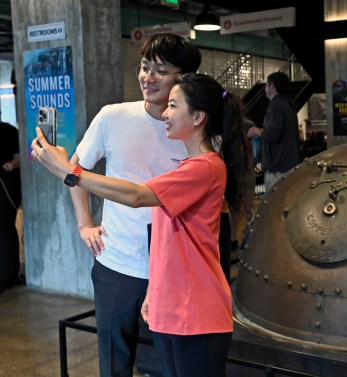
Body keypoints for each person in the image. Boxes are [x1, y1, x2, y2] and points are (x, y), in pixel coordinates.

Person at [32, 73, 250, 377]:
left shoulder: (205, 169)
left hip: (196, 311)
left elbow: (135, 195)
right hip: (175, 307)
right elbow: (169, 242)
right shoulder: (190, 167)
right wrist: (156, 292)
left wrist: (70, 172)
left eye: (174, 106)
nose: (165, 113)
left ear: (198, 116)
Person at [66, 33, 201, 377]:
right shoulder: (112, 117)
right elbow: (76, 170)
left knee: (172, 365)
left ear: (183, 78)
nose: (148, 77)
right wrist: (85, 224)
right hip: (117, 264)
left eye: (161, 70)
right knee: (114, 361)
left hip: (173, 270)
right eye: (144, 67)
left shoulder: (195, 130)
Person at [246, 71, 300, 191]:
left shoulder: (276, 105)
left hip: (278, 169)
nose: (265, 88)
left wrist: (257, 131)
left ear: (272, 86)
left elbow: (273, 134)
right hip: (289, 166)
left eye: (266, 85)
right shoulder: (288, 105)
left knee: (274, 206)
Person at [0, 120, 21, 292]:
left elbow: (21, 156)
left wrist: (11, 166)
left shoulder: (8, 131)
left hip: (5, 184)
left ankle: (8, 275)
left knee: (5, 229)